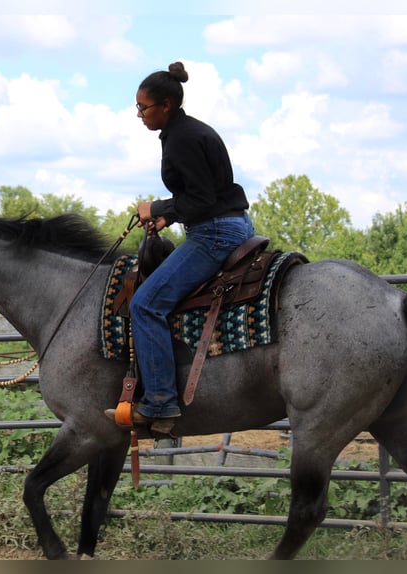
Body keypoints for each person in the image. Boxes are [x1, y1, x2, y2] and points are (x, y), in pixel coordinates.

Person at [105, 61, 255, 433]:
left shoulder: (182, 139)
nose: (139, 114)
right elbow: (199, 194)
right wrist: (168, 216)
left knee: (144, 304)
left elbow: (201, 200)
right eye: (137, 107)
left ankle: (159, 402)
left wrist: (158, 208)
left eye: (144, 107)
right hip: (229, 224)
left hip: (213, 234)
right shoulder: (188, 132)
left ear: (167, 105)